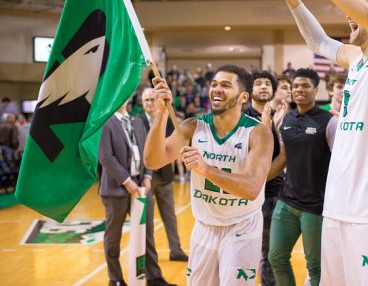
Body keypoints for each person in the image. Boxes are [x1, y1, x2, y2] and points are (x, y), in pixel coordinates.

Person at [267, 0, 368, 285]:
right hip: (338, 206)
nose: (348, 16)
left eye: (356, 7)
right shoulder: (355, 57)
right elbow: (319, 42)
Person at [144, 65, 274, 285]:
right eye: (213, 84)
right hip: (204, 226)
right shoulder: (194, 126)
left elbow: (252, 188)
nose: (216, 89)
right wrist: (160, 115)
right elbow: (153, 160)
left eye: (225, 85)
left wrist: (205, 169)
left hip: (241, 226)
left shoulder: (258, 132)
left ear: (244, 96)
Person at [267, 68, 337, 286]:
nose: (299, 89)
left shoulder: (330, 122)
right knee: (276, 258)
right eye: (295, 86)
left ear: (316, 90)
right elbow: (284, 157)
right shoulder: (286, 119)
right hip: (287, 201)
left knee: (315, 267)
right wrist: (259, 179)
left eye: (305, 85)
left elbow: (340, 164)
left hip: (315, 206)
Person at [98, 101, 174, 286]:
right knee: (113, 237)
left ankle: (154, 277)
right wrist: (126, 180)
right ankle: (115, 279)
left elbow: (149, 152)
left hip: (140, 188)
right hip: (117, 189)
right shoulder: (105, 123)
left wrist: (148, 176)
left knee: (147, 234)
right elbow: (105, 156)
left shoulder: (137, 122)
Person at [138, 88, 189, 262]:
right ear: (142, 103)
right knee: (148, 220)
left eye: (153, 99)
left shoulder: (167, 119)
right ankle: (149, 255)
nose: (150, 103)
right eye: (146, 100)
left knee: (170, 216)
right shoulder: (138, 122)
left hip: (165, 175)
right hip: (146, 178)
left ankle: (176, 250)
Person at [244, 70, 282, 286]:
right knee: (251, 250)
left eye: (267, 83)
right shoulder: (241, 119)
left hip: (278, 192)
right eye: (258, 83)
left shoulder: (282, 117)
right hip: (250, 195)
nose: (263, 86)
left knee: (272, 252)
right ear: (250, 90)